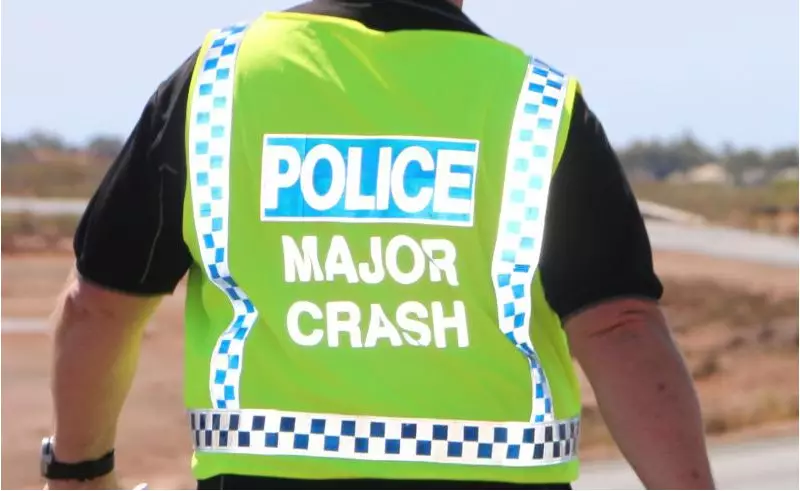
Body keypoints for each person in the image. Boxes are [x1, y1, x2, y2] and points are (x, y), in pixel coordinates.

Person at [43, 0, 715, 489]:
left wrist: (80, 469)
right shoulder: (533, 102)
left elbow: (98, 308)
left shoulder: (218, 84)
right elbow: (620, 326)